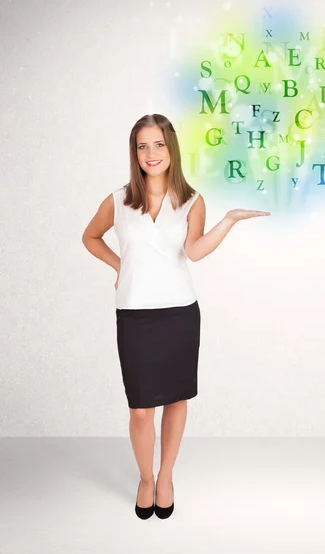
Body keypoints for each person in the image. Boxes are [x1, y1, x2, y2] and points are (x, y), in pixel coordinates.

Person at [82, 113, 270, 519]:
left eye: (158, 144)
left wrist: (229, 220)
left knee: (177, 399)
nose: (151, 153)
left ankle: (165, 476)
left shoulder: (191, 200)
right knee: (139, 408)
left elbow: (195, 252)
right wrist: (120, 266)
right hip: (134, 315)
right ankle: (145, 478)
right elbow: (90, 237)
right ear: (135, 153)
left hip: (179, 314)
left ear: (172, 148)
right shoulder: (118, 200)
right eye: (142, 146)